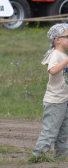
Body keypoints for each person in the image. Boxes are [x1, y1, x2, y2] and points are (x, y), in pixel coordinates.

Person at [31, 22, 68, 160]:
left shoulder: (63, 56)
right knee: (50, 131)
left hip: (64, 99)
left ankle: (62, 157)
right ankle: (38, 156)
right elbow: (52, 70)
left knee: (64, 132)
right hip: (55, 101)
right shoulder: (56, 55)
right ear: (57, 40)